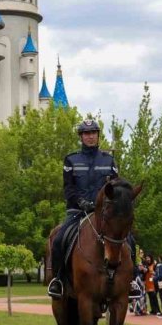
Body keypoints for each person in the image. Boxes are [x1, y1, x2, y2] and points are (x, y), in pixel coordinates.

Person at [47, 119, 119, 299]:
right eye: (86, 134)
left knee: (129, 240)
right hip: (77, 212)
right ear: (81, 137)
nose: (90, 136)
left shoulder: (109, 160)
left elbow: (115, 187)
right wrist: (81, 202)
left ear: (98, 135)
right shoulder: (71, 159)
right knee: (58, 241)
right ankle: (58, 280)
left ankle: (130, 280)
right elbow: (68, 188)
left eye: (93, 133)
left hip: (103, 214)